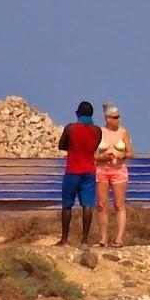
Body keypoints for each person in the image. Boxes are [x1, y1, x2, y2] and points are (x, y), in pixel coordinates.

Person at [56, 100, 101, 247]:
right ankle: (85, 241)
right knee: (87, 205)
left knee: (67, 205)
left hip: (73, 170)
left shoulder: (70, 128)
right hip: (89, 171)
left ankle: (64, 239)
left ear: (78, 113)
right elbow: (94, 147)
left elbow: (61, 145)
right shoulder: (97, 131)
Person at [94, 103, 133, 248]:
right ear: (108, 118)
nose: (117, 120)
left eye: (118, 117)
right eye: (114, 118)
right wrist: (103, 157)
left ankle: (119, 238)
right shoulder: (99, 132)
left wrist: (120, 155)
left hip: (118, 170)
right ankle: (103, 237)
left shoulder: (123, 132)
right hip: (102, 169)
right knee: (101, 204)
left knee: (119, 204)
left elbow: (130, 152)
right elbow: (92, 155)